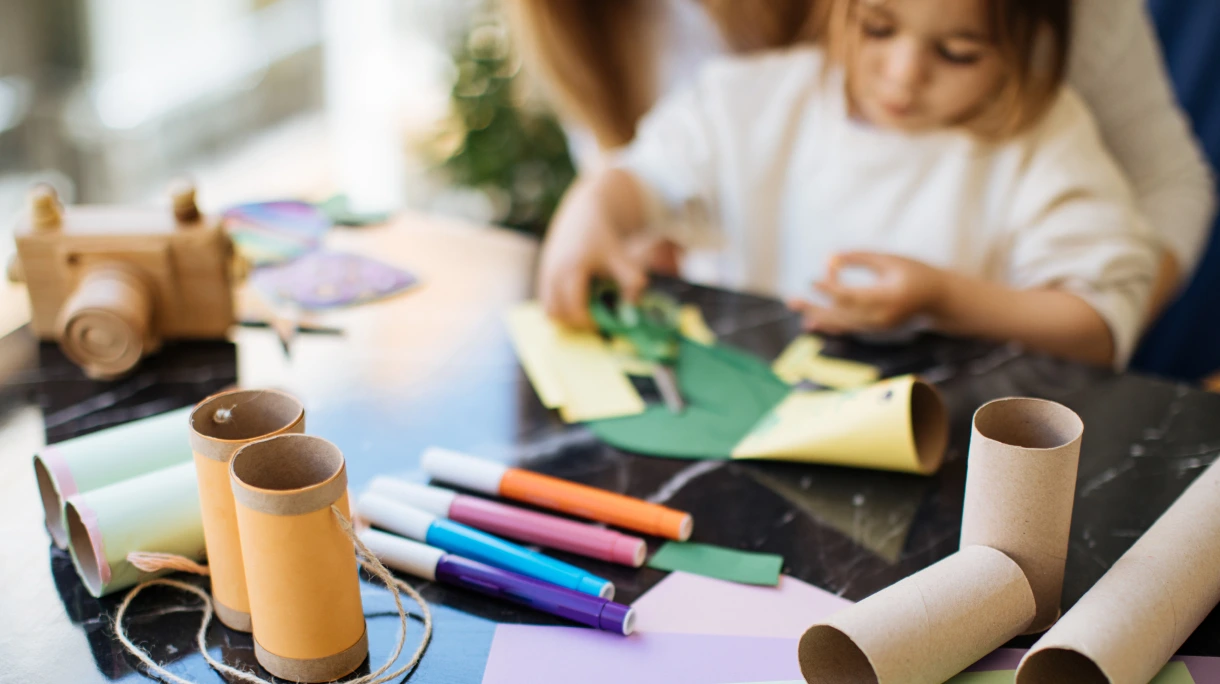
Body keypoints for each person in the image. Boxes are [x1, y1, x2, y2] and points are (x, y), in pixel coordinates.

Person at [533, 0, 1161, 369]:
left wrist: (944, 299)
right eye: (878, 28)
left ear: (1031, 41)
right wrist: (591, 212)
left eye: (959, 52)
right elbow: (642, 177)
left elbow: (1098, 325)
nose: (903, 75)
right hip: (764, 433)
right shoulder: (756, 100)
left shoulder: (1043, 140)